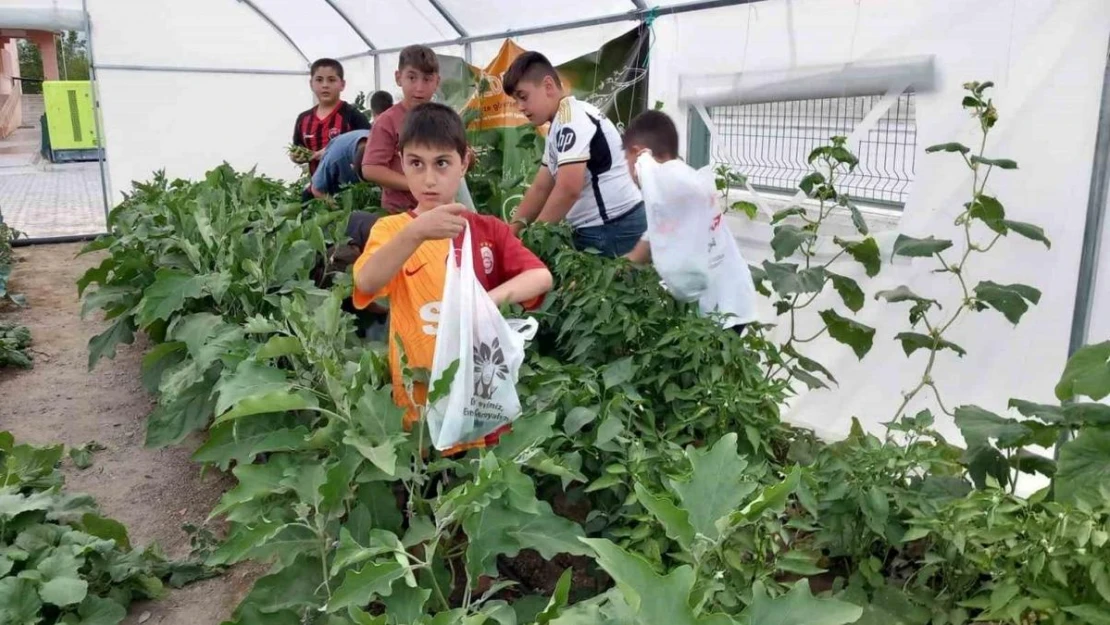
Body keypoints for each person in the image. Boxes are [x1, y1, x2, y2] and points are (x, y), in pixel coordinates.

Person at [352, 102, 553, 454]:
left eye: (442, 163)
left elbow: (540, 277)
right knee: (423, 482)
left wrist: (486, 302)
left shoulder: (487, 230)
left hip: (479, 395)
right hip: (418, 397)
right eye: (416, 164)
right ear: (401, 163)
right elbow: (367, 282)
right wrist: (415, 234)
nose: (429, 179)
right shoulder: (393, 231)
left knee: (475, 483)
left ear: (464, 163)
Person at [621, 110, 758, 334]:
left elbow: (673, 181)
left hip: (724, 309)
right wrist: (603, 276)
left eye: (627, 159)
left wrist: (644, 163)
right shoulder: (669, 199)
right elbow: (640, 255)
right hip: (724, 302)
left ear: (637, 153)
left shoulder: (675, 180)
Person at [503, 51, 645, 257]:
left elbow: (568, 189)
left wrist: (531, 240)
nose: (520, 107)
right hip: (604, 227)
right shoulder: (558, 125)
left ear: (548, 86)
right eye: (516, 101)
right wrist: (510, 233)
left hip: (613, 228)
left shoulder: (572, 119)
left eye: (523, 97)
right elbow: (541, 187)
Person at [361, 45, 440, 214]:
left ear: (437, 82)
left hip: (438, 208)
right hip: (399, 212)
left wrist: (467, 160)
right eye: (412, 78)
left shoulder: (444, 119)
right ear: (399, 78)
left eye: (427, 80)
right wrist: (414, 185)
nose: (419, 88)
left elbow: (457, 158)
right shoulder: (387, 121)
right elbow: (371, 168)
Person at [292, 59, 371, 177]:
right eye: (319, 80)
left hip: (350, 188)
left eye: (331, 80)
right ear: (311, 84)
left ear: (342, 85)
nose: (325, 85)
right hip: (317, 189)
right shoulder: (303, 119)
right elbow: (298, 147)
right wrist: (296, 157)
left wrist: (332, 152)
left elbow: (371, 145)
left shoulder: (352, 115)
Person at [309, 129, 369, 198]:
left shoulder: (380, 140)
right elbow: (316, 189)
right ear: (352, 167)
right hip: (338, 190)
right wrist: (334, 205)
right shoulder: (333, 160)